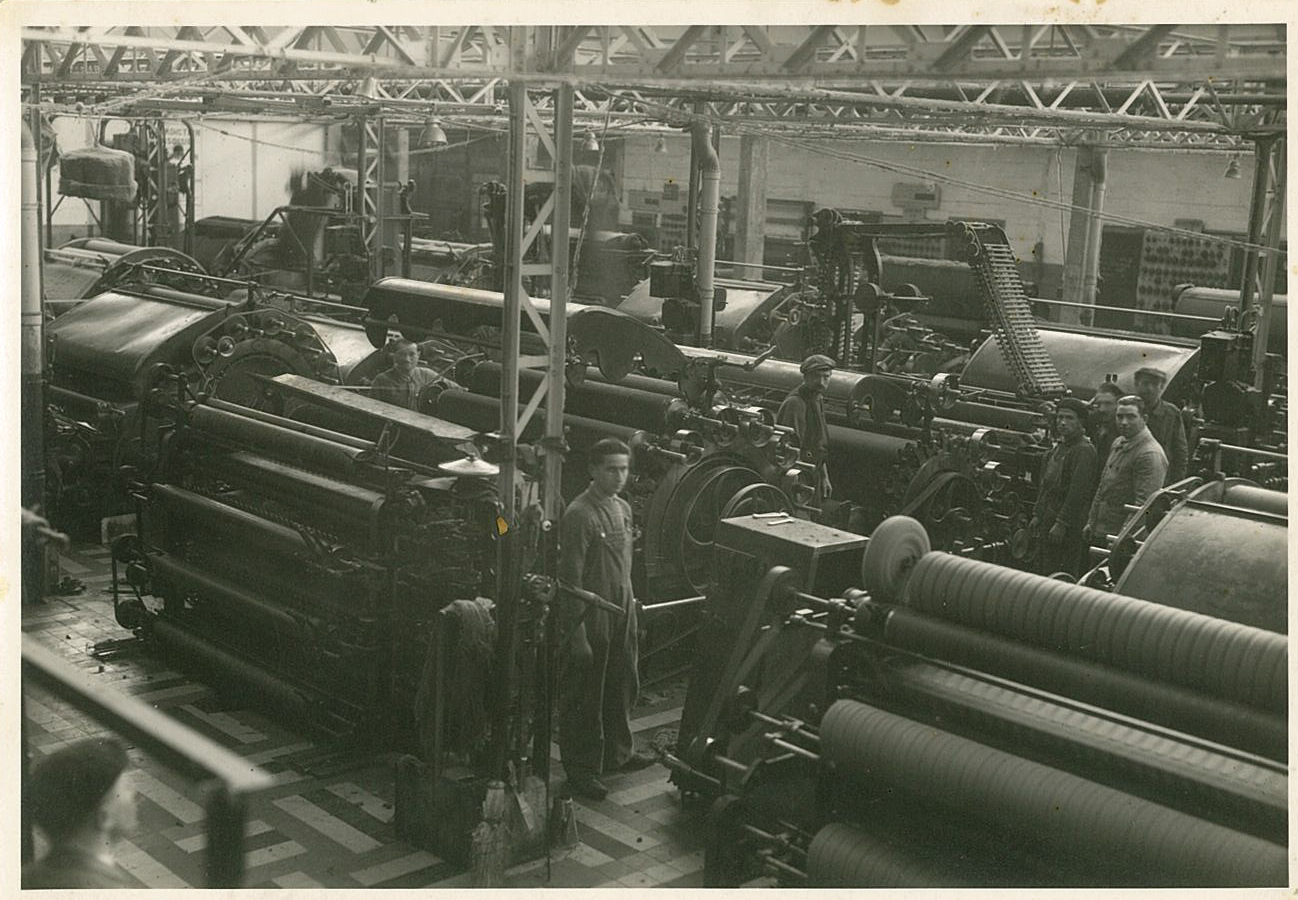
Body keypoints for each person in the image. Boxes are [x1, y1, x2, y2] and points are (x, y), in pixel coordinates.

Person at [558, 438, 655, 800]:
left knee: (622, 682)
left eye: (624, 469)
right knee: (587, 694)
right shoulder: (579, 514)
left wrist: (633, 606)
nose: (619, 476)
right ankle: (581, 769)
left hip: (623, 608)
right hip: (592, 611)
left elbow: (623, 565)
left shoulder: (623, 509)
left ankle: (618, 754)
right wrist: (578, 635)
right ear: (593, 470)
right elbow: (569, 581)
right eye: (611, 469)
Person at [23, 737, 138, 889]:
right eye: (127, 788)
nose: (134, 794)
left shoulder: (25, 878)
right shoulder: (109, 889)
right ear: (104, 817)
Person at [1084, 395, 1168, 547]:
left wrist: (1121, 540)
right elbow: (1103, 486)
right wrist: (1091, 521)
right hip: (1102, 529)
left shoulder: (1149, 454)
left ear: (1144, 419)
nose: (1123, 422)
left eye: (1131, 417)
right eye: (1119, 416)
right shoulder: (1119, 442)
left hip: (1119, 538)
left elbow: (1143, 506)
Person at [1030, 397, 1098, 577]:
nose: (1062, 422)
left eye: (1069, 418)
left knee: (1060, 572)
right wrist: (1037, 514)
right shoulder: (1060, 447)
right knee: (1043, 567)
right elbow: (1045, 485)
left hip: (1067, 525)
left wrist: (1061, 523)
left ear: (1081, 422)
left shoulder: (1083, 450)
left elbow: (1078, 493)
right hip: (1048, 516)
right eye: (1060, 417)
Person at [777, 354, 833, 502]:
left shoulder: (817, 398)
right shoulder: (796, 403)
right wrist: (798, 483)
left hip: (812, 471)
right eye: (816, 377)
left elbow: (819, 444)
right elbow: (789, 450)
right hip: (798, 476)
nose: (821, 382)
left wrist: (824, 477)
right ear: (806, 377)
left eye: (826, 377)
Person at [1132, 366, 1187, 484]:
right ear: (1136, 384)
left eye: (1155, 384)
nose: (1150, 388)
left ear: (1161, 387)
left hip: (1160, 476)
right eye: (1145, 383)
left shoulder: (1171, 413)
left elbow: (1180, 451)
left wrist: (1176, 483)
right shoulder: (1126, 408)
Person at [369, 338, 441, 410]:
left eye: (412, 354)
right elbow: (372, 409)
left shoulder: (428, 375)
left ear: (418, 355)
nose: (407, 359)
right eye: (402, 354)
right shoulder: (382, 380)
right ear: (394, 355)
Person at [1087, 381, 1124, 467]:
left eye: (1108, 404)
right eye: (1098, 404)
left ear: (1118, 405)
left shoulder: (1124, 429)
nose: (1102, 409)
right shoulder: (1093, 420)